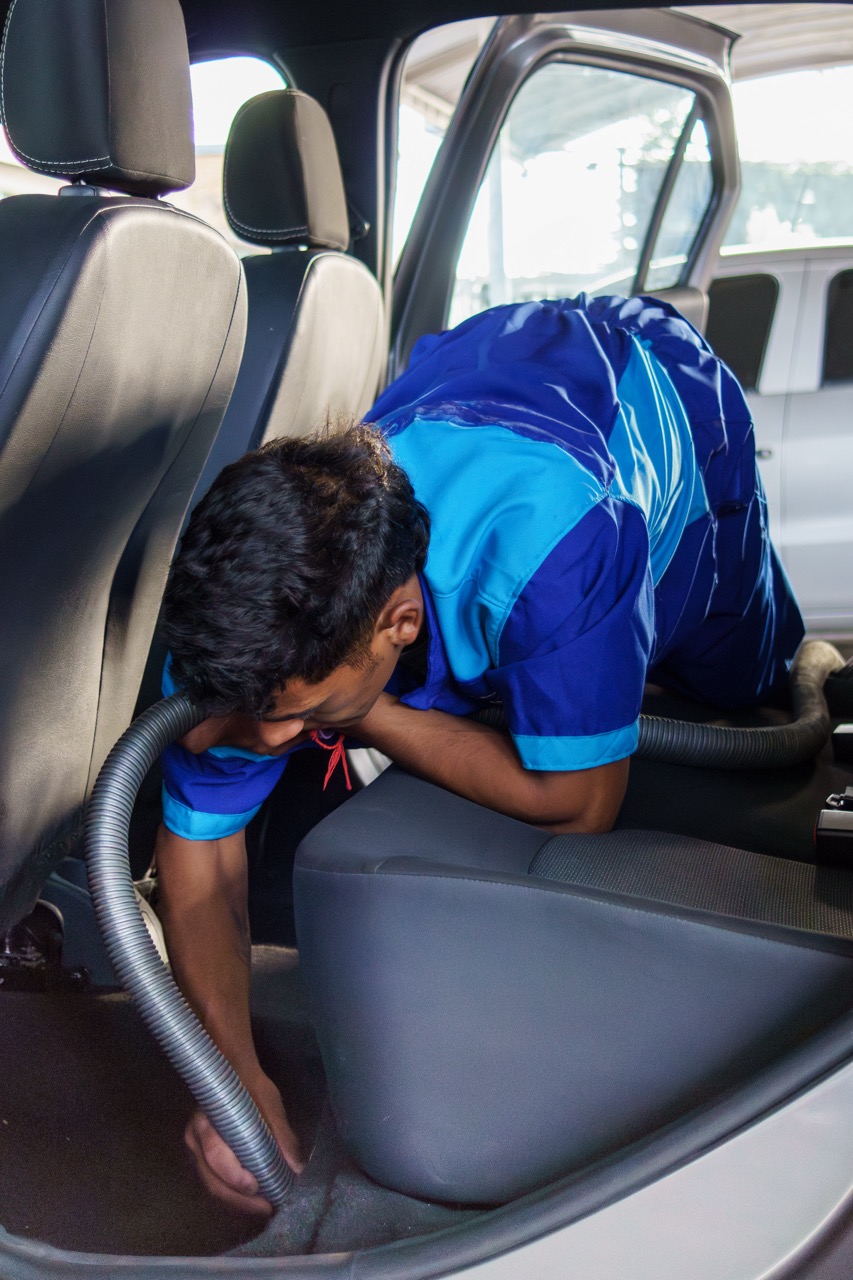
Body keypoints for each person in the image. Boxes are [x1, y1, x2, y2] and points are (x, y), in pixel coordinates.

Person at [155, 293, 804, 1213]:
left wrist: (366, 718)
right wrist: (230, 1079)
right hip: (485, 382)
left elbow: (580, 804)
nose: (263, 741)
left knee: (741, 680)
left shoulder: (560, 548)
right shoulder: (242, 618)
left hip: (668, 407)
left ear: (399, 621)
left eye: (297, 717)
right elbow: (201, 853)